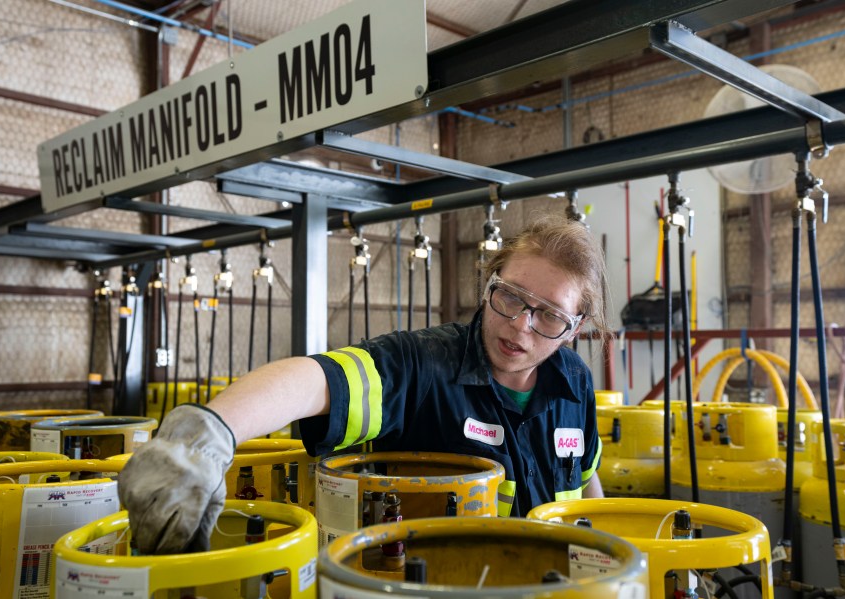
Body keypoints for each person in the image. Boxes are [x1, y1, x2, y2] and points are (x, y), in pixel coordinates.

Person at [118, 214, 609, 555]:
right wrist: (209, 434)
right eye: (510, 297)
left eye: (548, 315)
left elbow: (586, 484)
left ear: (576, 327)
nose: (521, 326)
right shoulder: (423, 366)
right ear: (490, 283)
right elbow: (313, 381)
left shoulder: (575, 384)